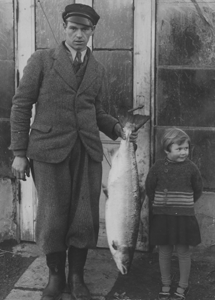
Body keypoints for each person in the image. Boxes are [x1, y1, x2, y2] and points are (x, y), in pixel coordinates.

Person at [10, 4, 138, 300]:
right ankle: (56, 277)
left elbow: (98, 111)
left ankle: (77, 277)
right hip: (48, 151)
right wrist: (19, 151)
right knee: (53, 215)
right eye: (73, 29)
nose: (79, 35)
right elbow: (20, 105)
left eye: (86, 30)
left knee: (84, 217)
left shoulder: (98, 69)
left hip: (87, 151)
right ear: (65, 28)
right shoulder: (42, 60)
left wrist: (117, 129)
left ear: (93, 31)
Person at [145, 127, 203, 300]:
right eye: (179, 149)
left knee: (183, 252)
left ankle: (183, 286)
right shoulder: (157, 167)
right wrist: (161, 204)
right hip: (163, 217)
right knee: (164, 251)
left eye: (186, 148)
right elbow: (150, 188)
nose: (183, 152)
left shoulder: (191, 168)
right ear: (167, 150)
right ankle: (165, 284)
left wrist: (183, 203)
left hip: (183, 218)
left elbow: (197, 189)